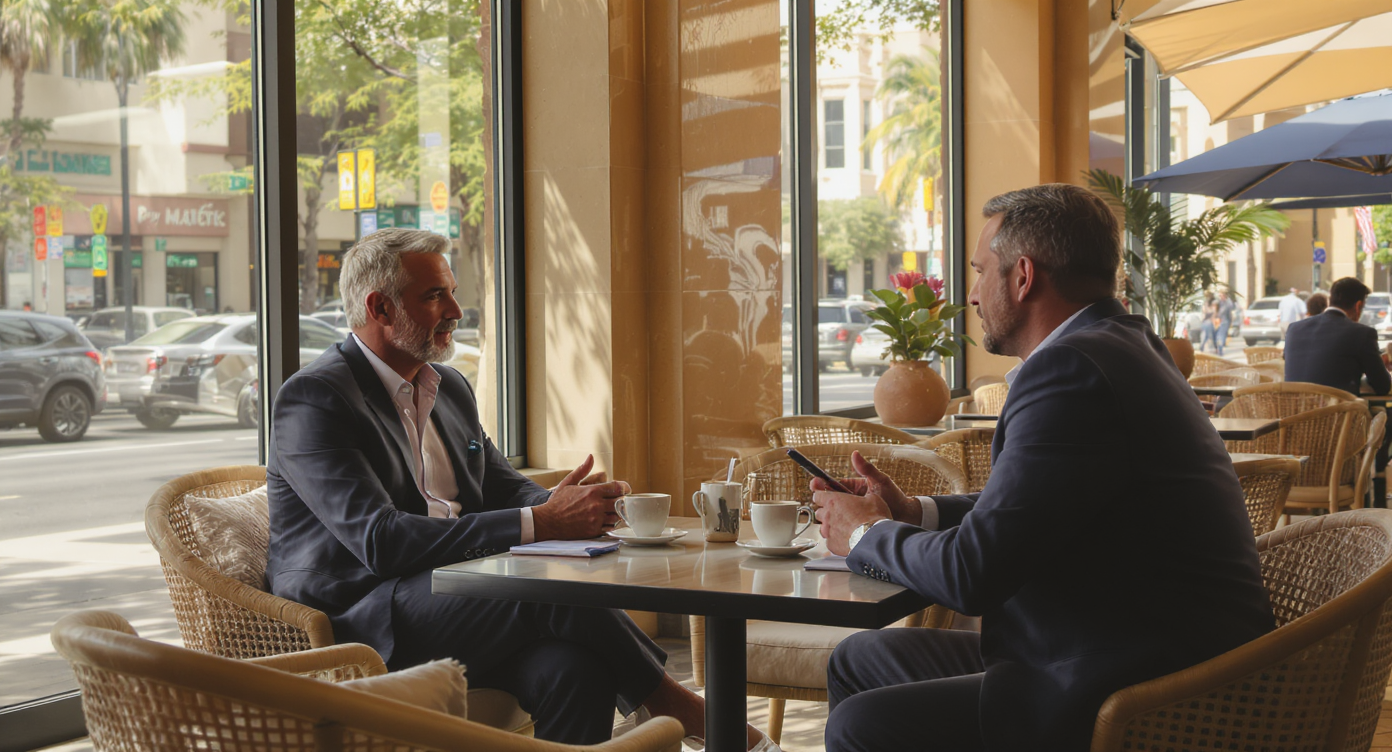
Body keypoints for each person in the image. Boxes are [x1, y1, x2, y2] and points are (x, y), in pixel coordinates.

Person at [810, 184, 1275, 752]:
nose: (974, 295)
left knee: (861, 725)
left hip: (1144, 695)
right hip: (1133, 647)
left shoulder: (1070, 372)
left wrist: (862, 532)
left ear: (1023, 277)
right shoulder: (1122, 345)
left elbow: (972, 575)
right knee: (860, 657)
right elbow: (1031, 505)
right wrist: (913, 512)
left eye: (982, 271)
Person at [267, 229, 773, 749]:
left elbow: (504, 487)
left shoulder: (450, 388)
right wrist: (543, 523)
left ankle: (670, 706)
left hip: (457, 596)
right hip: (364, 617)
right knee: (544, 590)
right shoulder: (315, 399)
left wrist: (564, 507)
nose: (457, 311)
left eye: (452, 291)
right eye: (435, 295)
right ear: (380, 308)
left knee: (577, 670)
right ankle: (681, 707)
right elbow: (380, 541)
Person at [1284, 276, 1391, 396]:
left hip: (1294, 411)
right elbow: (1383, 386)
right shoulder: (1361, 334)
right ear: (1358, 306)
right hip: (1338, 413)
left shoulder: (1294, 329)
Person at [1214, 288, 1235, 356]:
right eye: (1219, 295)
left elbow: (1228, 313)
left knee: (1221, 336)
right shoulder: (1219, 302)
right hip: (1217, 321)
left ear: (1224, 295)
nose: (1220, 297)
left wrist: (1230, 322)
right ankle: (1218, 348)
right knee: (1217, 336)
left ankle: (1220, 349)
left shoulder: (1228, 303)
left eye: (1221, 295)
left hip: (1224, 321)